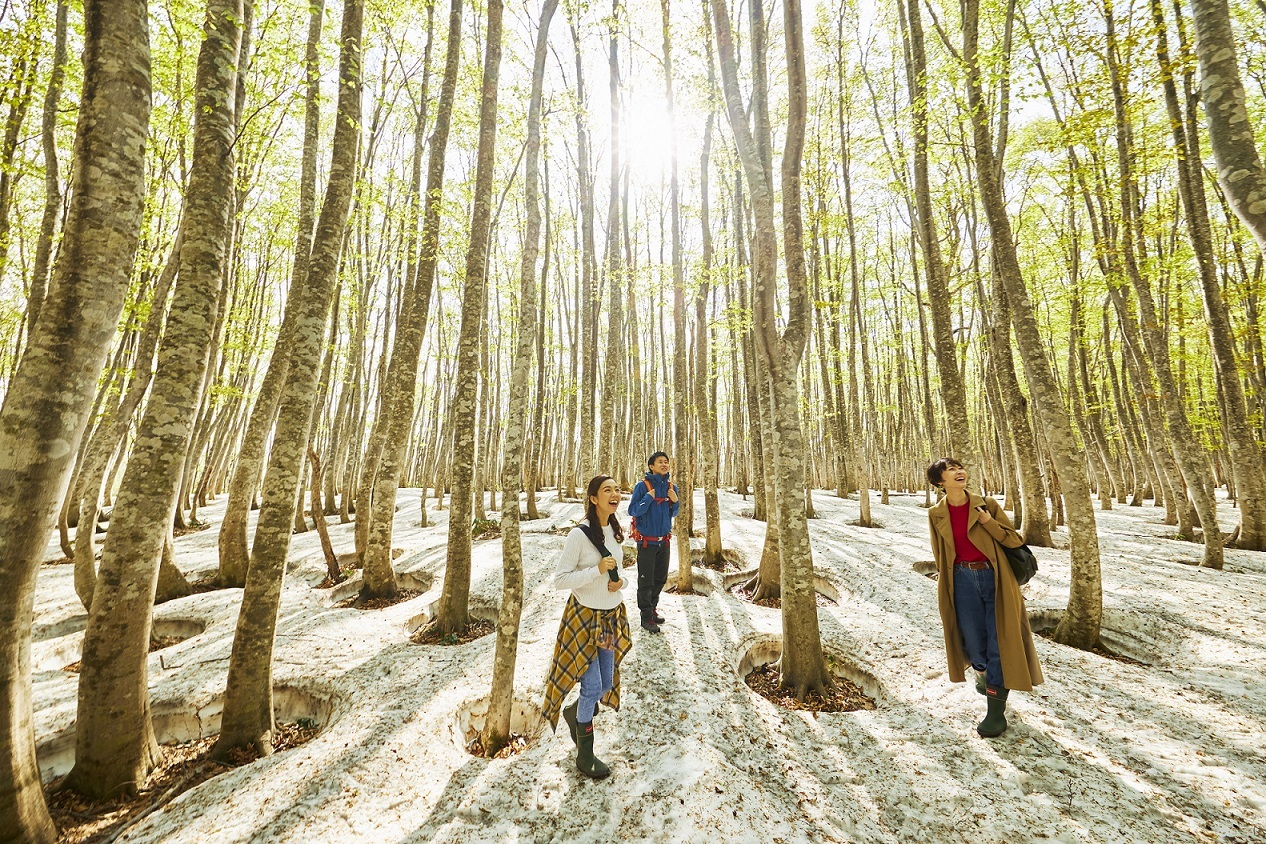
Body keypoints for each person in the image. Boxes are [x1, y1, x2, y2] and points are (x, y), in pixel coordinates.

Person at [926, 457, 1043, 737]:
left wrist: (989, 522)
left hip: (995, 578)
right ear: (940, 482)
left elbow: (1014, 541)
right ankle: (981, 673)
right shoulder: (935, 513)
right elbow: (939, 553)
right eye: (951, 470)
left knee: (999, 644)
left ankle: (994, 713)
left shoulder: (986, 505)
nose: (959, 472)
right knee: (974, 645)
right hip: (961, 580)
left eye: (960, 468)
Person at [541, 475, 633, 780]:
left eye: (617, 489)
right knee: (592, 686)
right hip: (583, 622)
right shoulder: (578, 536)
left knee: (605, 685)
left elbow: (618, 574)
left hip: (607, 621)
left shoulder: (615, 531)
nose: (615, 493)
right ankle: (585, 754)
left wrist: (621, 582)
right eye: (607, 489)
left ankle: (574, 714)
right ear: (593, 498)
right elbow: (560, 580)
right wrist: (596, 571)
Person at [626, 451, 679, 633]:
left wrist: (675, 501)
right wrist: (648, 498)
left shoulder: (672, 487)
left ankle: (653, 609)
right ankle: (646, 616)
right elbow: (633, 510)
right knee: (646, 580)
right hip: (646, 543)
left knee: (660, 578)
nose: (664, 464)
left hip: (664, 541)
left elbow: (674, 513)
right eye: (660, 462)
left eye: (666, 462)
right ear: (651, 466)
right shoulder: (642, 486)